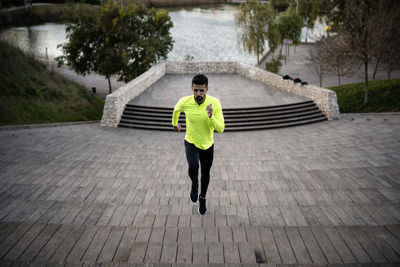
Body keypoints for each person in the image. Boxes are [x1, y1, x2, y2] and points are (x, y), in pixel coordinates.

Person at [172, 74, 225, 215]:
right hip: (191, 141)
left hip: (208, 145)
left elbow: (221, 128)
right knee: (193, 166)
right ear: (192, 88)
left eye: (201, 90)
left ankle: (202, 198)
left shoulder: (215, 103)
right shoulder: (185, 101)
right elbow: (176, 109)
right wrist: (174, 124)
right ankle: (194, 184)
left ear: (207, 89)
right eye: (195, 90)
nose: (198, 94)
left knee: (206, 174)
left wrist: (211, 117)